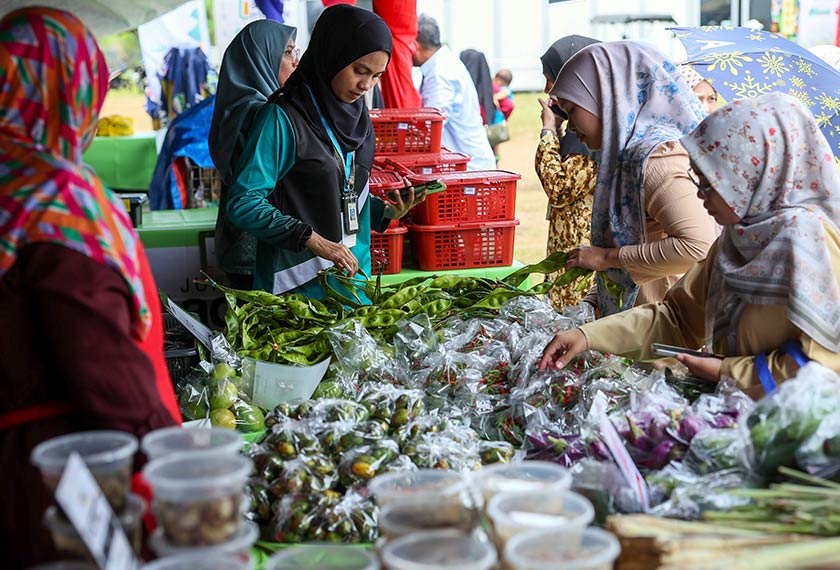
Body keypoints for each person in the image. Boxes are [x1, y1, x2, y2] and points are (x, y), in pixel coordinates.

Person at [0, 7, 180, 566]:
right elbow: (101, 367)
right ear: (71, 91)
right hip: (58, 479)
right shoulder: (53, 201)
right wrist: (173, 467)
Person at [540, 92, 840, 397]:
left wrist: (726, 372)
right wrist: (586, 336)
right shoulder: (736, 240)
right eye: (698, 181)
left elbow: (823, 365)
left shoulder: (809, 244)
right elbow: (677, 318)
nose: (699, 194)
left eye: (710, 183)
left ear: (751, 178)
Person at [226, 5, 422, 297]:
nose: (365, 85)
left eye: (377, 76)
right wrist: (311, 239)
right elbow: (243, 203)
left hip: (353, 284)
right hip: (295, 291)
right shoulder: (283, 118)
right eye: (360, 71)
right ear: (332, 55)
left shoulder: (358, 118)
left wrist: (385, 210)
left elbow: (338, 191)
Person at [550, 41, 718, 315]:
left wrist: (605, 258)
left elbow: (697, 246)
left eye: (572, 109)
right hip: (638, 325)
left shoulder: (656, 157)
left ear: (606, 95)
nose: (569, 127)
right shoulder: (624, 153)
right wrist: (594, 301)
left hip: (666, 330)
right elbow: (633, 239)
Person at [209, 20, 298, 290]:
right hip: (260, 248)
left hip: (237, 244)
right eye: (287, 52)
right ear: (262, 58)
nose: (296, 61)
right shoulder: (263, 113)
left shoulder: (234, 107)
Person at [536, 36, 601, 310]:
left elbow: (559, 189)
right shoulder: (580, 129)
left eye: (550, 79)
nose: (547, 88)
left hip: (581, 262)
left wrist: (549, 131)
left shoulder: (589, 133)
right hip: (570, 254)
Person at [413, 14, 496, 170]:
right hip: (471, 161)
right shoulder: (445, 62)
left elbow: (430, 128)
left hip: (468, 168)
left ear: (414, 45)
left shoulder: (439, 74)